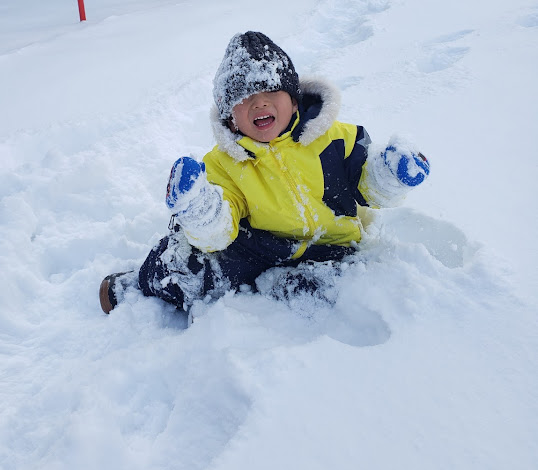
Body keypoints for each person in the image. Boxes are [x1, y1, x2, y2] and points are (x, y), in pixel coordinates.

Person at [99, 31, 429, 315]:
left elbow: (366, 187)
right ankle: (144, 284)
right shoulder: (222, 164)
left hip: (334, 247)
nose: (259, 104)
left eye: (271, 92)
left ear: (295, 101)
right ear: (230, 118)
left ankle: (286, 286)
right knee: (192, 262)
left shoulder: (336, 138)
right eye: (245, 98)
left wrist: (389, 175)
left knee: (351, 283)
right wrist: (201, 211)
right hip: (262, 248)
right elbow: (221, 229)